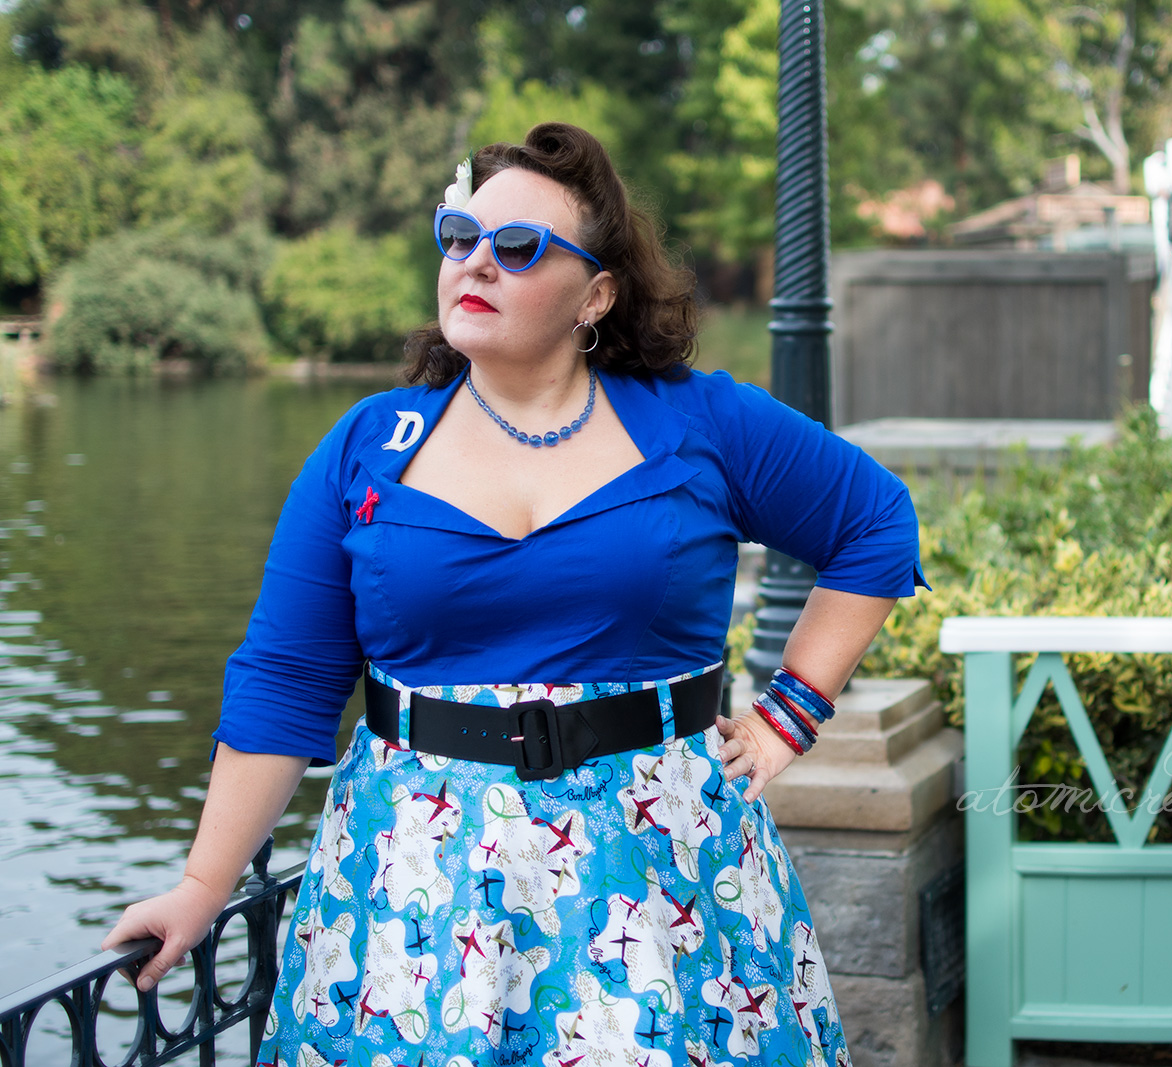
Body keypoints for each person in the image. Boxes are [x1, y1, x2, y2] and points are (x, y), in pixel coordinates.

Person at [102, 121, 925, 1066]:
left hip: (664, 878)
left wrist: (791, 713)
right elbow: (288, 680)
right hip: (414, 882)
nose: (476, 264)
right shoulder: (371, 445)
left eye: (518, 247)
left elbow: (876, 524)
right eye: (458, 238)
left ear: (597, 293)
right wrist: (204, 885)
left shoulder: (701, 421)